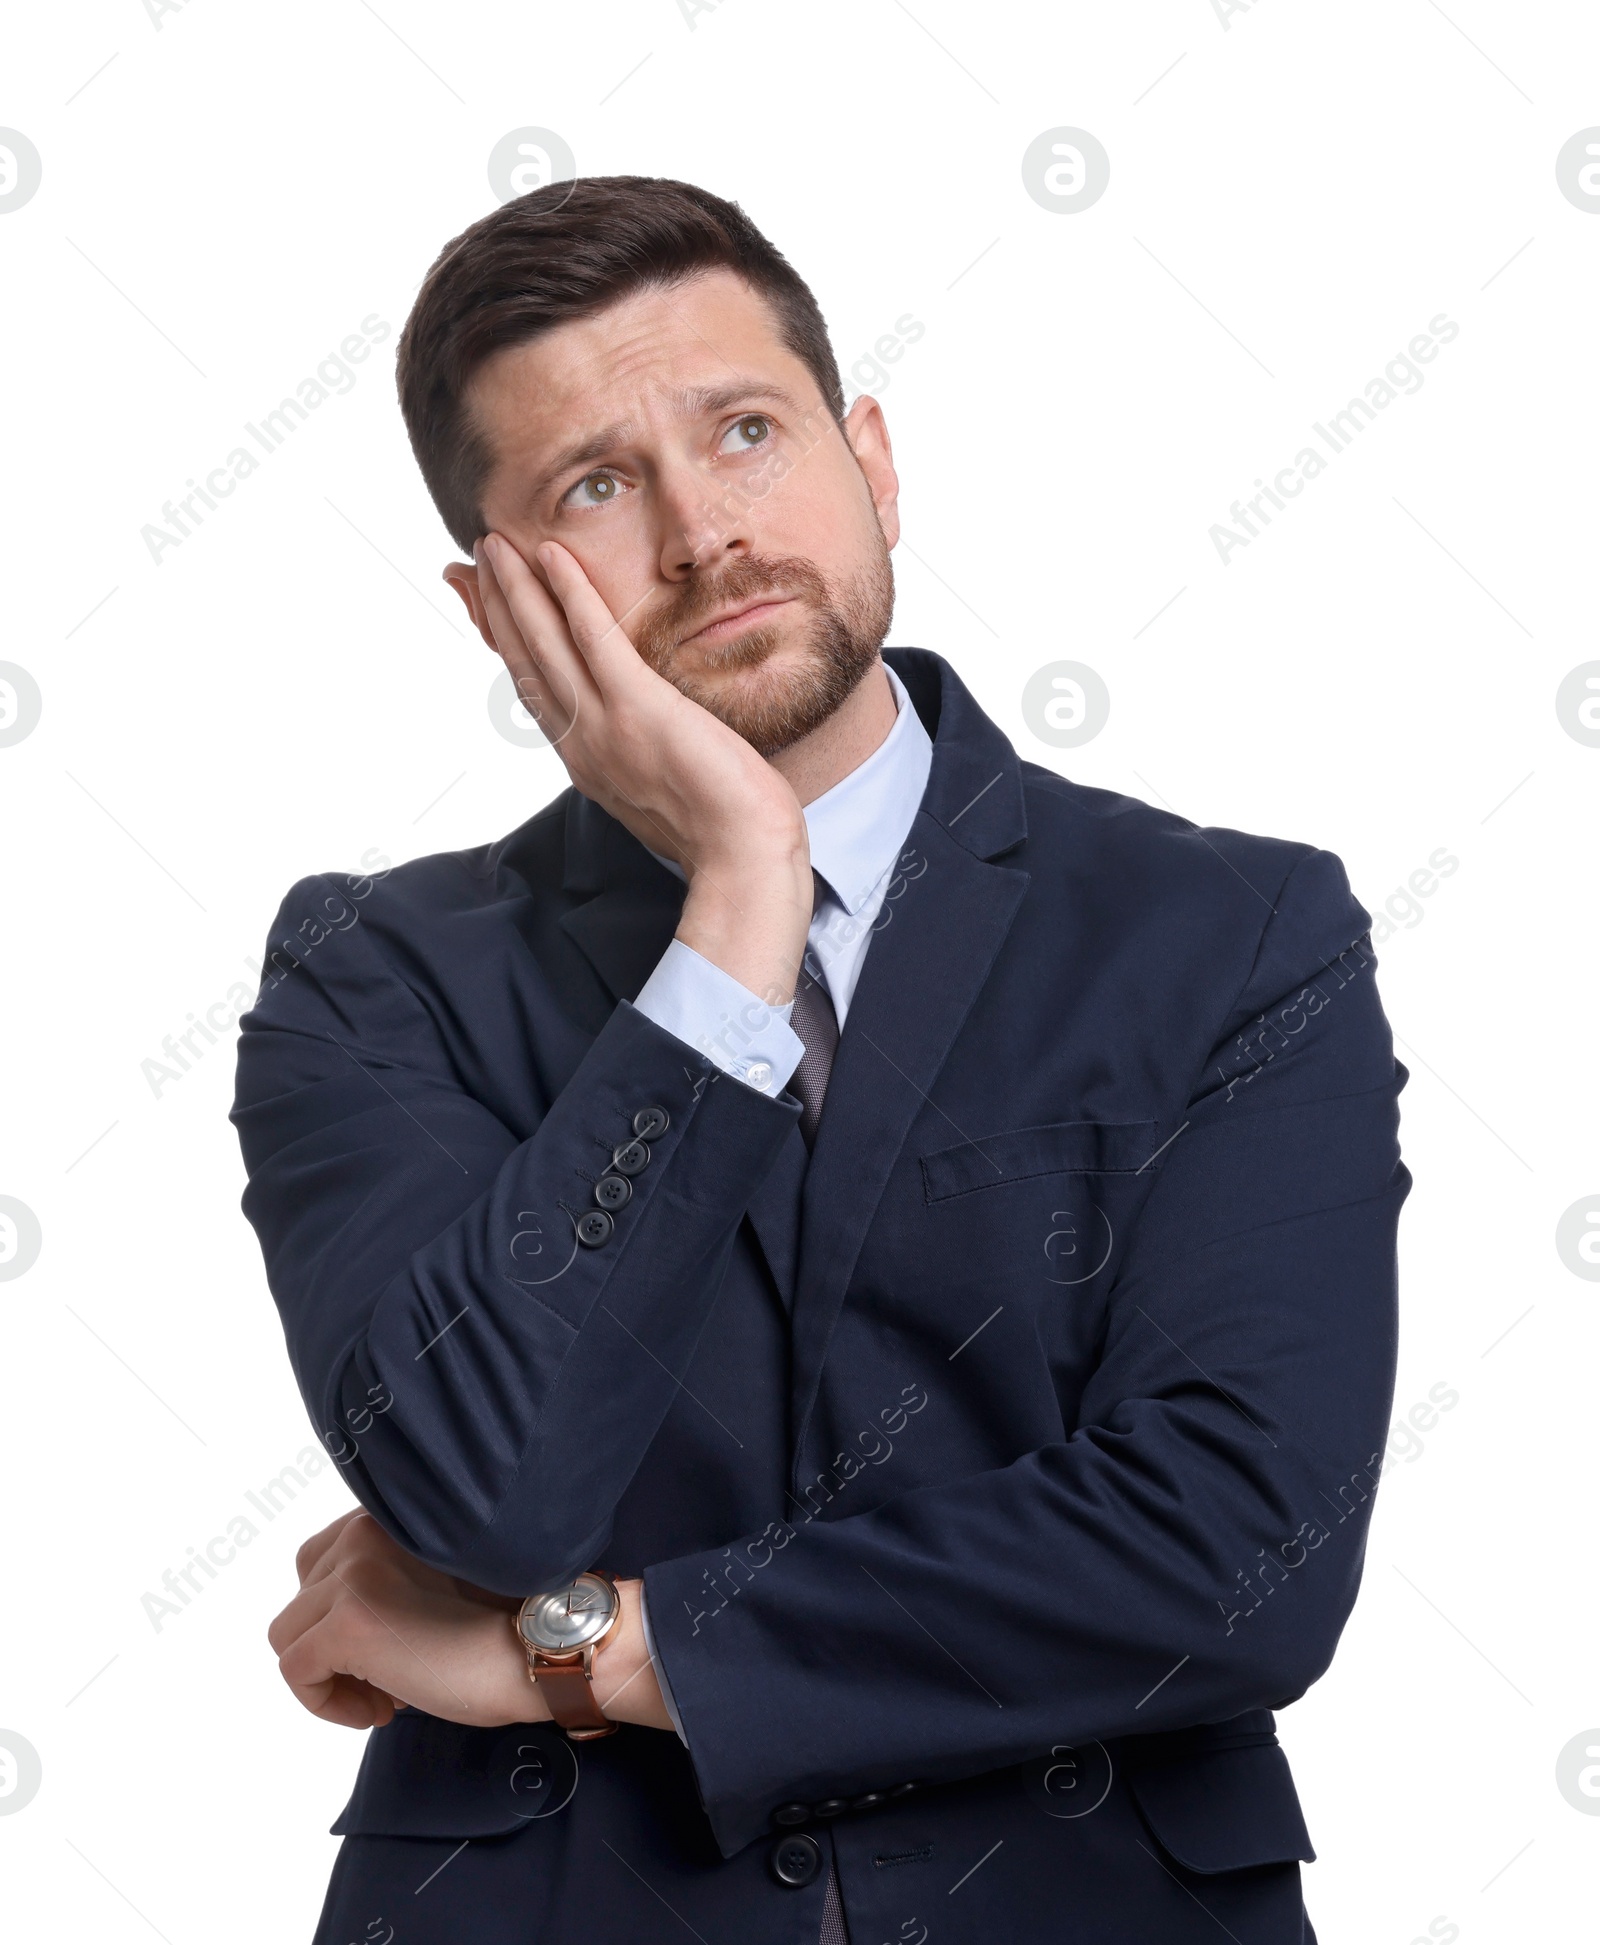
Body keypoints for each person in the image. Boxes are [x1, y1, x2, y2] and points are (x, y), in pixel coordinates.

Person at [230, 175, 1407, 1945]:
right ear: (496, 614)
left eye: (750, 432)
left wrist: (585, 1651)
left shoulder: (1234, 933)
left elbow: (1240, 1552)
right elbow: (485, 1485)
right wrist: (744, 892)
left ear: (873, 457)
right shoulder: (373, 977)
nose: (707, 533)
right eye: (598, 489)